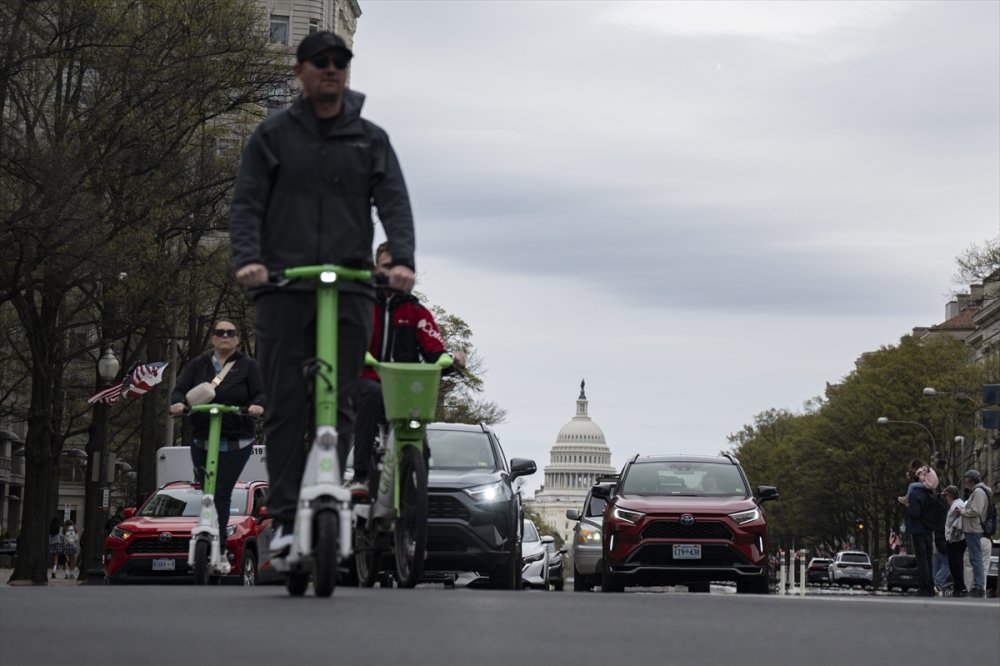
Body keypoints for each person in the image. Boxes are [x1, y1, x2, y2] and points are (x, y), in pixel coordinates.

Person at [229, 31, 417, 559]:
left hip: (351, 281)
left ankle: (346, 476)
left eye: (340, 62)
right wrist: (249, 259)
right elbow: (246, 204)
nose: (331, 69)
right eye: (320, 62)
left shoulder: (369, 139)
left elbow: (394, 203)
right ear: (301, 72)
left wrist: (401, 260)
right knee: (287, 399)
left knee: (348, 388)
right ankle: (286, 518)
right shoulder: (272, 136)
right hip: (285, 285)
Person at [349, 243, 465, 499]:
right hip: (368, 381)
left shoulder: (416, 311)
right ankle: (361, 476)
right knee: (370, 393)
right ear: (376, 268)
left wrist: (452, 359)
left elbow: (434, 349)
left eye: (399, 266)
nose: (393, 272)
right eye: (387, 266)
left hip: (404, 390)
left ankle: (412, 498)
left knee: (420, 442)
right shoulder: (361, 305)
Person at [169, 319, 266, 557]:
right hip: (203, 438)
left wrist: (257, 406)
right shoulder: (198, 364)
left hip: (237, 440)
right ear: (212, 337)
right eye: (219, 332)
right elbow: (179, 390)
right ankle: (206, 533)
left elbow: (261, 393)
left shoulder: (248, 366)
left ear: (238, 338)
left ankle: (220, 546)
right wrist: (177, 404)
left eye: (230, 333)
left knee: (222, 492)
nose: (225, 336)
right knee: (207, 491)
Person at [954, 469, 991, 598]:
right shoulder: (978, 491)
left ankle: (979, 587)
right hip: (972, 529)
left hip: (974, 529)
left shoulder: (978, 492)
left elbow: (975, 510)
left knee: (976, 559)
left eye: (967, 479)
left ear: (971, 479)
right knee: (974, 558)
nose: (965, 481)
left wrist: (962, 511)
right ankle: (978, 586)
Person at [901, 461, 934, 597]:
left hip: (918, 529)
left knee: (921, 560)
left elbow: (915, 512)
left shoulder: (914, 493)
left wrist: (908, 505)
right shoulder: (930, 493)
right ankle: (930, 586)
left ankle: (924, 587)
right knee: (928, 559)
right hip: (928, 529)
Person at [942, 485, 967, 597]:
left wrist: (952, 536)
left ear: (951, 495)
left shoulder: (956, 504)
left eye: (946, 495)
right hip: (958, 539)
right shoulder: (959, 503)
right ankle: (959, 586)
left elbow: (959, 515)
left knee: (954, 564)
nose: (945, 498)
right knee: (957, 563)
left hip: (955, 540)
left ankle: (960, 587)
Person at [48, 515, 62, 580]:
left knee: (53, 558)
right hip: (57, 543)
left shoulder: (50, 528)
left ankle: (53, 568)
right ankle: (54, 571)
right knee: (56, 558)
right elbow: (61, 536)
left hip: (51, 544)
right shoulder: (59, 528)